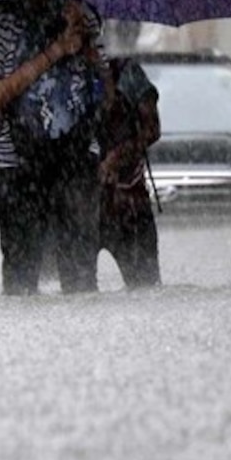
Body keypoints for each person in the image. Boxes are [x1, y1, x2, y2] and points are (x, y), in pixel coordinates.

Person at [0, 0, 104, 296]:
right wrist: (55, 51)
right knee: (21, 282)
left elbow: (106, 97)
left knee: (81, 281)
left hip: (75, 162)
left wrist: (87, 47)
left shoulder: (80, 16)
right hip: (17, 167)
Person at [98, 54, 161, 288]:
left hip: (128, 204)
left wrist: (116, 157)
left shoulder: (127, 73)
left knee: (146, 288)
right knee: (73, 295)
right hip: (79, 208)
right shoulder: (56, 71)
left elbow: (152, 129)